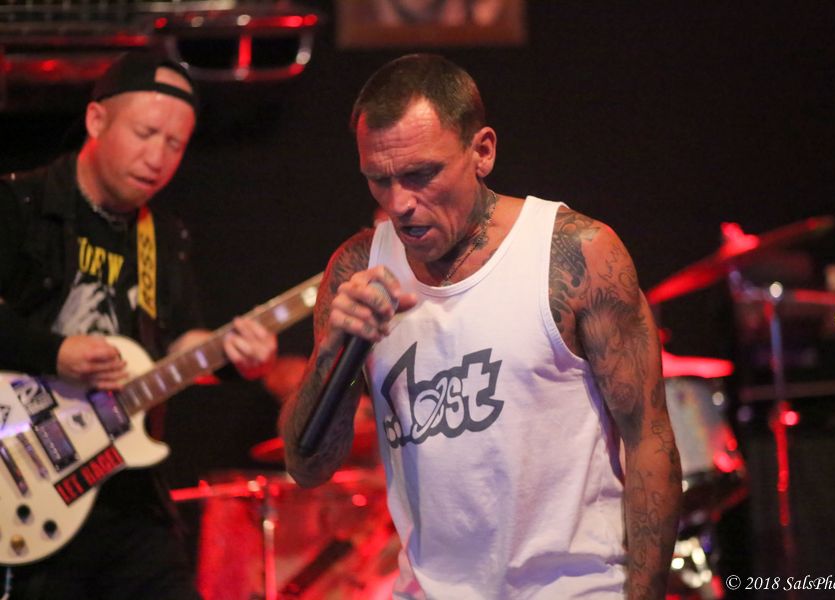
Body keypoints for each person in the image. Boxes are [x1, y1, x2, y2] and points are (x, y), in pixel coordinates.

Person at [280, 53, 682, 598]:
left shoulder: (574, 252)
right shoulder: (357, 269)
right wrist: (334, 348)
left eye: (420, 175)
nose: (400, 203)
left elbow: (649, 439)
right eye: (379, 180)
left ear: (482, 151)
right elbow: (308, 467)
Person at [0, 51, 277, 599]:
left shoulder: (163, 236)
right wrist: (55, 353)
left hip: (126, 494)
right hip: (26, 481)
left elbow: (180, 341)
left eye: (175, 144)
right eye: (146, 133)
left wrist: (235, 358)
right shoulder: (18, 204)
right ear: (96, 119)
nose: (158, 158)